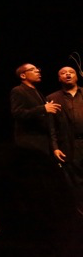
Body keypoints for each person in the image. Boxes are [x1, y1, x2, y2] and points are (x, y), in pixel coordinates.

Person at [47, 66, 83, 199]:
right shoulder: (53, 98)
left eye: (71, 72)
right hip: (69, 144)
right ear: (59, 78)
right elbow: (51, 126)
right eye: (63, 73)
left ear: (77, 76)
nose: (68, 74)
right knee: (76, 182)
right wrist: (55, 148)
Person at [10, 63, 61, 155]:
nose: (37, 71)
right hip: (30, 142)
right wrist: (43, 109)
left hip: (42, 141)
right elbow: (17, 113)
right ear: (23, 75)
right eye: (32, 69)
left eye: (37, 68)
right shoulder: (18, 90)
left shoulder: (37, 92)